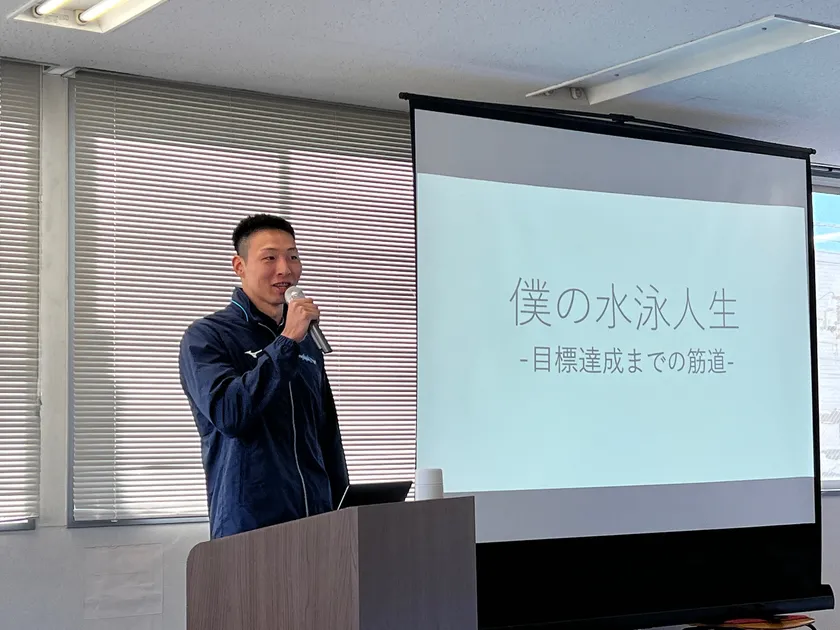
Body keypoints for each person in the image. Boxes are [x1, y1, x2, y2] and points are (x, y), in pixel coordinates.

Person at [178, 213, 349, 539]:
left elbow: (327, 435)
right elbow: (230, 414)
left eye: (293, 257)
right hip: (249, 531)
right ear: (239, 266)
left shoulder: (306, 341)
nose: (285, 269)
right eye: (270, 258)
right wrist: (286, 342)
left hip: (317, 525)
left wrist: (343, 509)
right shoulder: (207, 337)